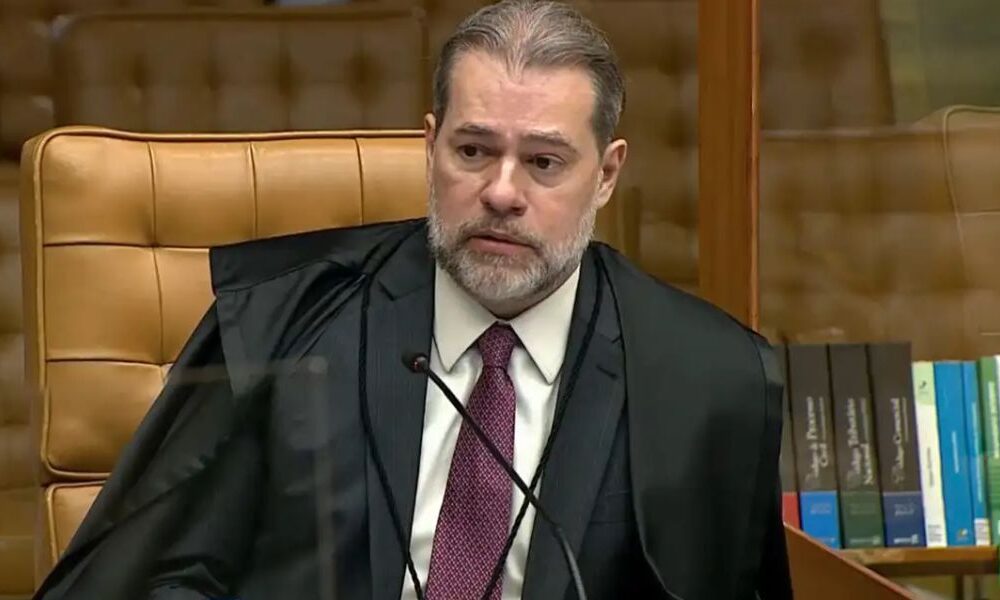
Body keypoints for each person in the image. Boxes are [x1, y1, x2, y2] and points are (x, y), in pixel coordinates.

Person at [33, 1, 791, 599]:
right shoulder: (282, 328)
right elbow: (154, 577)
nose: (501, 192)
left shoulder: (711, 379)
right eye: (473, 151)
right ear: (430, 147)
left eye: (544, 162)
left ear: (606, 175)